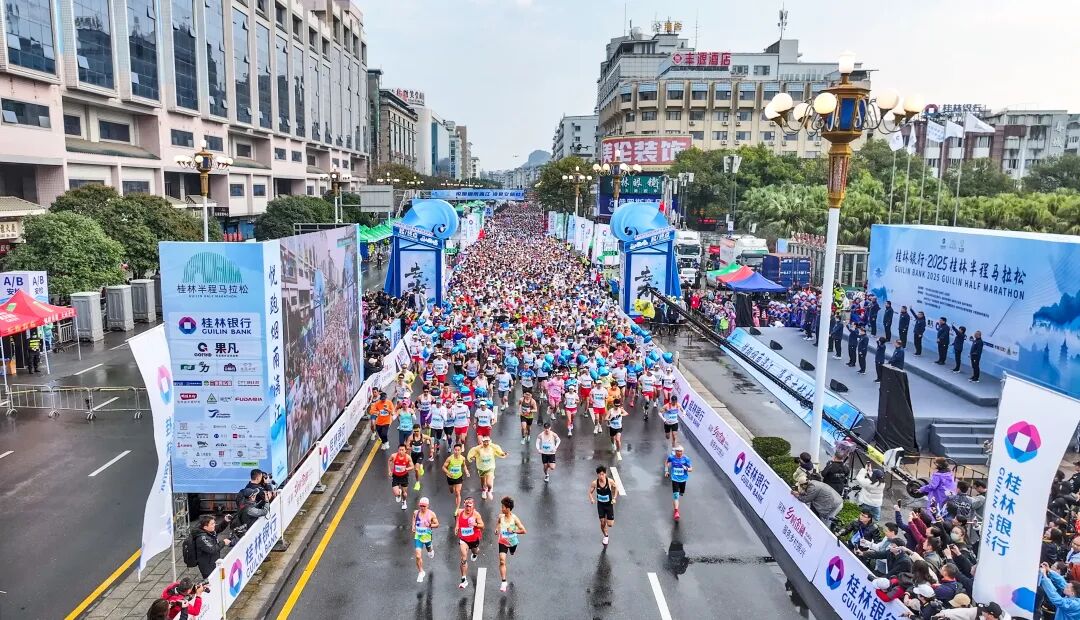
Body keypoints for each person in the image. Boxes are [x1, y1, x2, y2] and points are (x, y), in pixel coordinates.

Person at [496, 496, 527, 593]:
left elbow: (524, 531)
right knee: (502, 561)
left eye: (503, 507)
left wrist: (513, 530)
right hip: (503, 541)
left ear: (508, 508)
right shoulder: (501, 516)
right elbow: (498, 523)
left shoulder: (514, 519)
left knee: (512, 552)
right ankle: (504, 581)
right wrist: (497, 529)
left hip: (512, 542)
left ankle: (512, 551)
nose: (501, 509)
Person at [454, 497, 485, 589]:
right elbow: (457, 518)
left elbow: (482, 526)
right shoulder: (460, 512)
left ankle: (475, 553)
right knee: (463, 557)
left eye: (470, 506)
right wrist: (456, 527)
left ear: (473, 506)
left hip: (474, 539)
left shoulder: (476, 514)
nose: (468, 508)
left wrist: (475, 524)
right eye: (467, 506)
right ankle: (464, 579)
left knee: (475, 551)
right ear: (464, 505)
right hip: (463, 539)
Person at [191, 514, 232, 579]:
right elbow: (212, 549)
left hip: (212, 561)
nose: (214, 525)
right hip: (207, 566)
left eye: (214, 523)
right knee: (211, 581)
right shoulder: (202, 538)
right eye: (212, 524)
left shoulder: (208, 530)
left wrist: (225, 521)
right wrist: (223, 542)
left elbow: (218, 528)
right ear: (205, 527)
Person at [467, 435, 507, 500]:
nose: (486, 443)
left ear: (489, 442)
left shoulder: (492, 448)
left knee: (489, 484)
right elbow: (471, 453)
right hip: (481, 468)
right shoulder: (478, 448)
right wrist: (471, 457)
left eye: (487, 442)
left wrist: (502, 454)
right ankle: (484, 491)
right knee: (483, 482)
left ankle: (489, 491)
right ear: (482, 442)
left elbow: (499, 452)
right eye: (484, 442)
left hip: (490, 467)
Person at [411, 497, 440, 583]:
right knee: (418, 556)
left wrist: (430, 525)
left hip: (427, 536)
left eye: (424, 506)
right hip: (418, 536)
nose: (422, 507)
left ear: (427, 506)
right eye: (421, 506)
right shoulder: (416, 512)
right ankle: (421, 572)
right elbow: (413, 518)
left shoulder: (431, 514)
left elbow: (437, 524)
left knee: (429, 550)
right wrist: (413, 526)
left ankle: (430, 550)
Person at [589, 465, 618, 546]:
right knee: (602, 522)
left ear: (605, 474)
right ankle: (606, 536)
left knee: (610, 524)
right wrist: (591, 499)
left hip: (609, 505)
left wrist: (614, 498)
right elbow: (590, 492)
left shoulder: (610, 481)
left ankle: (607, 519)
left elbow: (616, 488)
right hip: (601, 505)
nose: (601, 476)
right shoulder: (595, 483)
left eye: (603, 474)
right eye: (599, 474)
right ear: (597, 474)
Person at [665, 445, 693, 521]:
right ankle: (676, 512)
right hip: (675, 479)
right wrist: (666, 471)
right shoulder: (672, 457)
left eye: (681, 451)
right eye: (678, 451)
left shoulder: (686, 459)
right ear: (675, 452)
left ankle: (681, 492)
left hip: (683, 479)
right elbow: (667, 462)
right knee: (676, 496)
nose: (680, 453)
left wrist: (686, 468)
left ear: (683, 452)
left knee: (681, 493)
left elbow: (691, 469)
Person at [442, 443, 470, 513]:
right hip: (450, 478)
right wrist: (448, 473)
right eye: (455, 450)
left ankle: (457, 509)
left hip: (458, 477)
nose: (457, 451)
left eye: (458, 450)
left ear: (461, 451)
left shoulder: (462, 458)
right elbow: (443, 467)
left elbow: (464, 465)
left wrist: (466, 471)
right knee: (451, 490)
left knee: (457, 492)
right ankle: (451, 488)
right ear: (453, 450)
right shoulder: (449, 459)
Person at [388, 444, 415, 510]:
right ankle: (398, 493)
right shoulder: (394, 456)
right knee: (396, 493)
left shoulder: (408, 457)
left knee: (405, 494)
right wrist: (389, 470)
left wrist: (406, 469)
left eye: (402, 450)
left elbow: (412, 466)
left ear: (405, 450)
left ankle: (404, 502)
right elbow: (389, 461)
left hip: (404, 477)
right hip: (395, 476)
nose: (401, 451)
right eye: (399, 450)